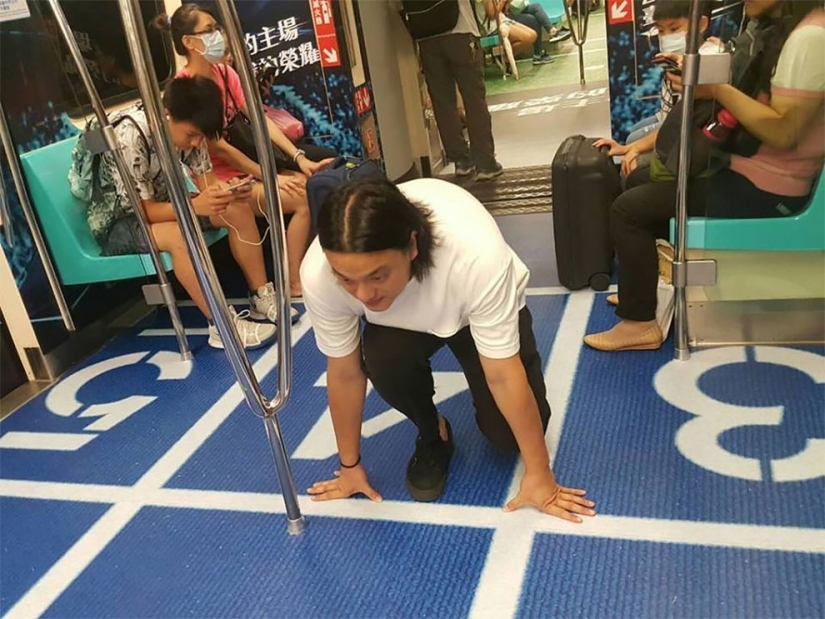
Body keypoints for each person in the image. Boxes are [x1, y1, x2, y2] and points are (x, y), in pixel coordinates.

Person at [301, 177, 595, 521]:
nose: (363, 295)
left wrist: (540, 475)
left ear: (411, 247)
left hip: (472, 309)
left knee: (509, 437)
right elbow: (346, 373)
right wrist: (349, 467)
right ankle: (433, 432)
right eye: (347, 279)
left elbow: (502, 374)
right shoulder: (321, 274)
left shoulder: (476, 257)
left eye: (377, 276)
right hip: (399, 323)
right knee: (383, 358)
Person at [584, 0, 825, 352]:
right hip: (750, 169)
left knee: (628, 210)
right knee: (638, 182)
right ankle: (647, 289)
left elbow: (784, 131)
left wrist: (715, 89)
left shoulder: (810, 37)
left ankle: (640, 323)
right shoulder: (784, 31)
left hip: (772, 186)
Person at [81, 76, 280, 349]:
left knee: (236, 209)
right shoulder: (129, 136)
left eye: (202, 136)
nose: (197, 143)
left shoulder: (191, 136)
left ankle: (261, 297)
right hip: (119, 222)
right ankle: (222, 327)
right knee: (181, 235)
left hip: (166, 205)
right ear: (166, 115)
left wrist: (226, 193)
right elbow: (142, 210)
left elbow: (206, 183)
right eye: (191, 135)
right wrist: (195, 206)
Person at [153, 4, 333, 299]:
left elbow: (260, 119)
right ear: (189, 42)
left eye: (217, 28)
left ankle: (294, 275)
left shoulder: (225, 74)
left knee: (307, 184)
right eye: (209, 30)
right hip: (216, 178)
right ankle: (287, 282)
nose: (218, 36)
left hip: (247, 166)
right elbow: (218, 148)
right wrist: (270, 177)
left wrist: (297, 158)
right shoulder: (185, 90)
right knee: (299, 198)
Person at [595, 0, 716, 175]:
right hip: (670, 119)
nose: (666, 36)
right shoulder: (676, 61)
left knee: (633, 163)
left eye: (674, 29)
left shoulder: (704, 63)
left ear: (702, 24)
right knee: (632, 137)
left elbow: (679, 125)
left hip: (688, 135)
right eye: (660, 30)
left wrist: (633, 149)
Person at [403, 0, 505, 181]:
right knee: (474, 100)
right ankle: (485, 163)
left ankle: (461, 161)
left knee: (443, 103)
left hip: (426, 37)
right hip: (461, 32)